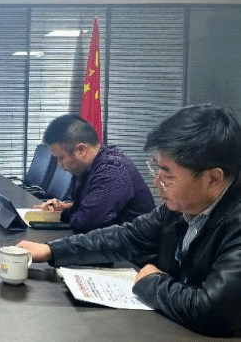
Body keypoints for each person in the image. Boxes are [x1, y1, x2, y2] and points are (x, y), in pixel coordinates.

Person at [18, 105, 241, 337]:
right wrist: (51, 251)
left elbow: (212, 310)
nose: (157, 182)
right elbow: (126, 237)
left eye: (168, 174)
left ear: (213, 179)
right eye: (157, 169)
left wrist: (151, 283)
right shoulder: (180, 207)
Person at [34, 114, 154, 232]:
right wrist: (62, 209)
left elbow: (85, 222)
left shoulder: (112, 170)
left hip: (134, 243)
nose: (60, 165)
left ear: (81, 150)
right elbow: (81, 208)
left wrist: (66, 213)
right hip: (109, 238)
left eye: (61, 158)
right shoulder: (87, 166)